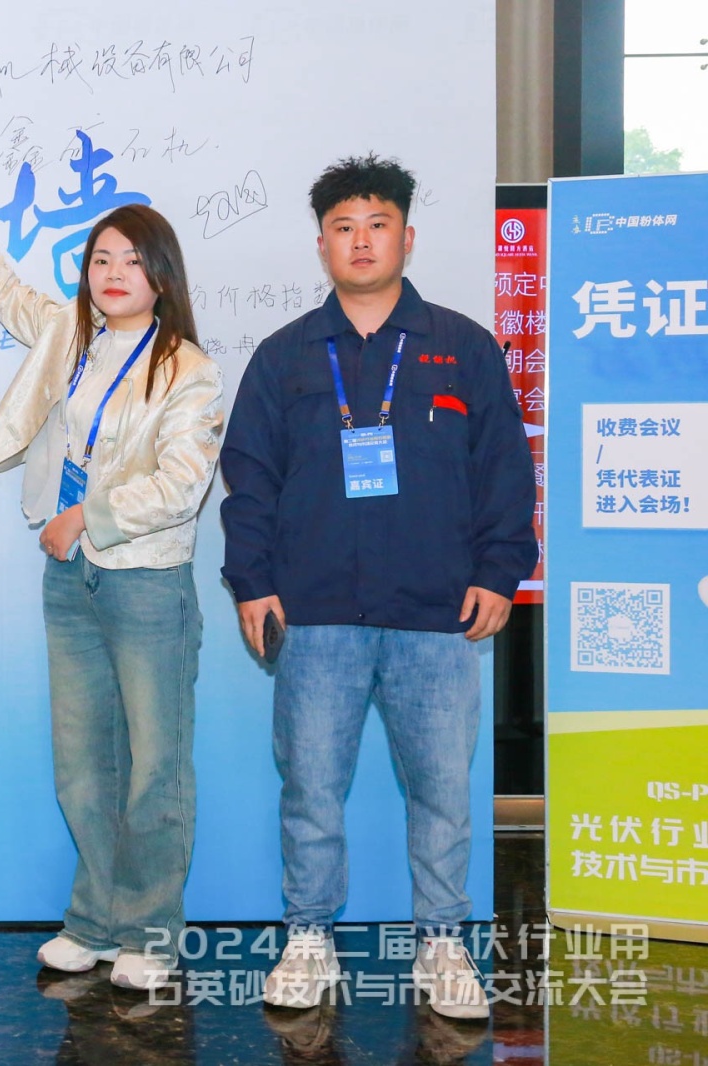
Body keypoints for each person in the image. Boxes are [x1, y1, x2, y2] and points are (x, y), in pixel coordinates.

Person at [218, 155, 537, 1020]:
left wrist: (499, 571)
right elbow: (249, 480)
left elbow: (505, 469)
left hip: (437, 613)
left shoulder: (463, 347)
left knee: (441, 790)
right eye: (344, 227)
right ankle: (308, 938)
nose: (361, 241)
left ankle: (441, 943)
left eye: (378, 224)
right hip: (314, 612)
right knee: (311, 788)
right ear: (322, 244)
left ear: (407, 236)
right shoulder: (285, 356)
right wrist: (252, 582)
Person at [0, 131, 225, 991]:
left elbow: (181, 487)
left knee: (155, 766)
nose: (113, 273)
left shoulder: (190, 370)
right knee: (84, 764)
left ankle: (151, 932)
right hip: (71, 580)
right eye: (100, 259)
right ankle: (95, 921)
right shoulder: (69, 335)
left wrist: (84, 518)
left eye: (131, 260)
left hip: (147, 583)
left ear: (162, 274)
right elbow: (4, 290)